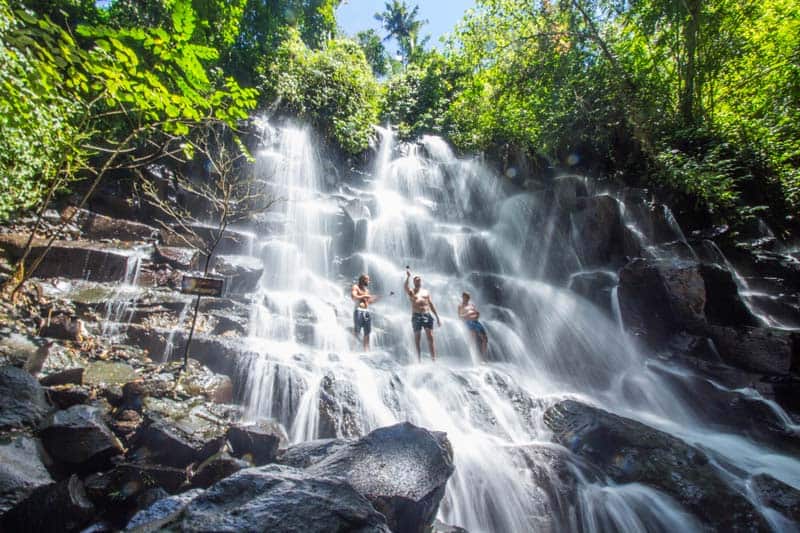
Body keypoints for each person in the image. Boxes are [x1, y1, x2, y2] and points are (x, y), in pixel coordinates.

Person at [405, 270, 441, 362]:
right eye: (416, 281)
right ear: (414, 282)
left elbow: (431, 304)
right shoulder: (411, 292)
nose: (418, 282)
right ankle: (418, 360)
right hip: (416, 315)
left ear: (421, 282)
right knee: (417, 338)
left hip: (427, 315)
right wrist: (408, 277)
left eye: (419, 280)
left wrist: (437, 317)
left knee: (431, 337)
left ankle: (434, 360)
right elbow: (405, 287)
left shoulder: (426, 292)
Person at [458, 291, 488, 358]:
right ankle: (473, 357)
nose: (467, 298)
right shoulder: (460, 306)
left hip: (476, 322)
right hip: (468, 322)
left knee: (485, 338)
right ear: (463, 297)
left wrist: (476, 315)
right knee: (473, 339)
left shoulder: (472, 305)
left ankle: (483, 357)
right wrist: (469, 315)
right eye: (466, 297)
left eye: (468, 297)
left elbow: (477, 313)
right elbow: (460, 317)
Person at [351, 274, 377, 351]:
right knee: (357, 331)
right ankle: (353, 350)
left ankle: (366, 351)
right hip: (358, 310)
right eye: (367, 279)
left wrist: (374, 300)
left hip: (366, 312)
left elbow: (368, 302)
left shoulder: (367, 290)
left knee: (367, 332)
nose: (369, 281)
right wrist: (364, 296)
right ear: (362, 280)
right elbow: (353, 296)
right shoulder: (356, 287)